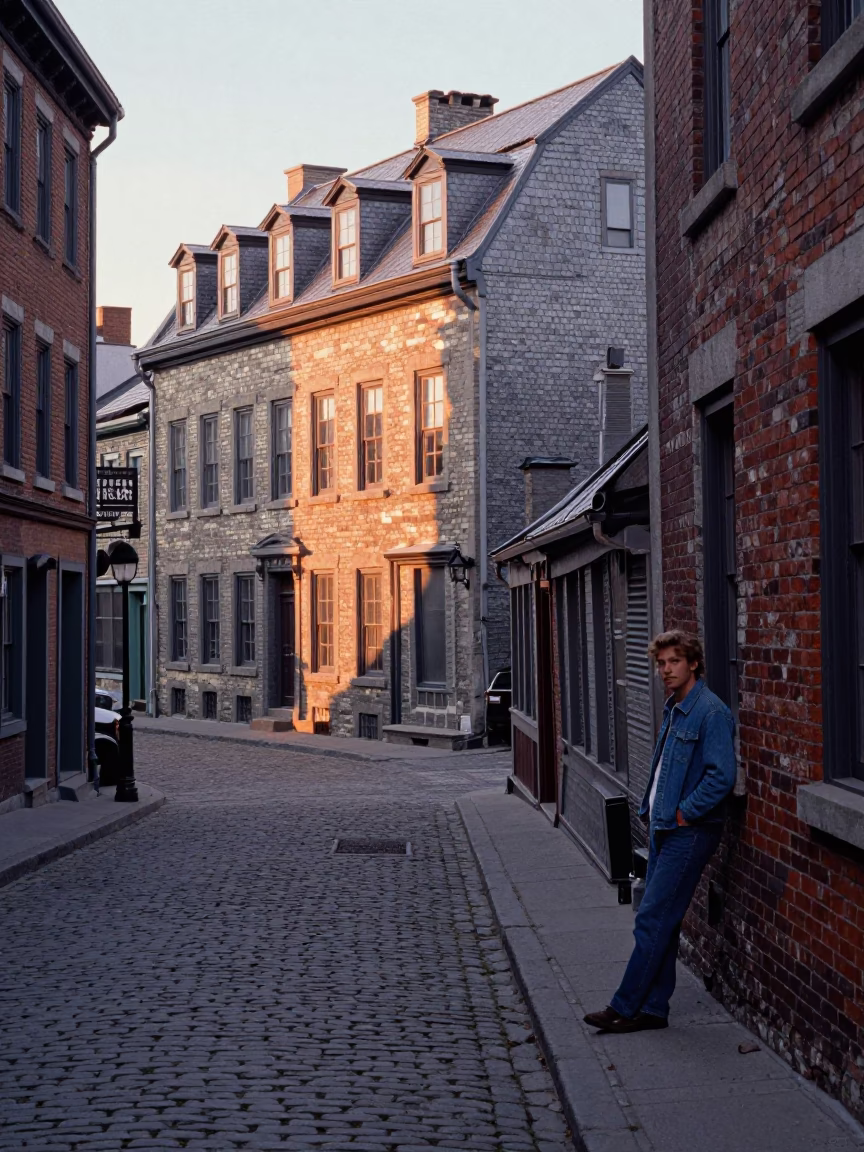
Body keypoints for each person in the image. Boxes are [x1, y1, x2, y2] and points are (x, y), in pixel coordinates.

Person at [584, 630, 736, 1034]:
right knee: (663, 921)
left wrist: (686, 813)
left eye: (674, 662)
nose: (665, 670)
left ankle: (625, 1005)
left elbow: (722, 777)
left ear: (693, 664)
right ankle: (653, 1009)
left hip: (688, 833)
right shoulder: (676, 708)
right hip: (664, 829)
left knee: (651, 919)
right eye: (661, 663)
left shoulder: (711, 713)